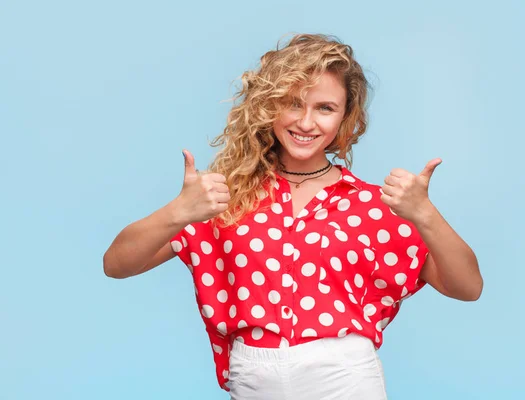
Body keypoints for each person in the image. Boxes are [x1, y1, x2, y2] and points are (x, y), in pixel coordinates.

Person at [103, 33, 483, 400]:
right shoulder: (222, 199)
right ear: (269, 105)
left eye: (325, 108)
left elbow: (467, 287)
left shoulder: (374, 205)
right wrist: (177, 213)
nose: (305, 122)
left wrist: (425, 215)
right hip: (253, 378)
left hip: (344, 379)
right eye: (293, 103)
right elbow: (117, 264)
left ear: (345, 117)